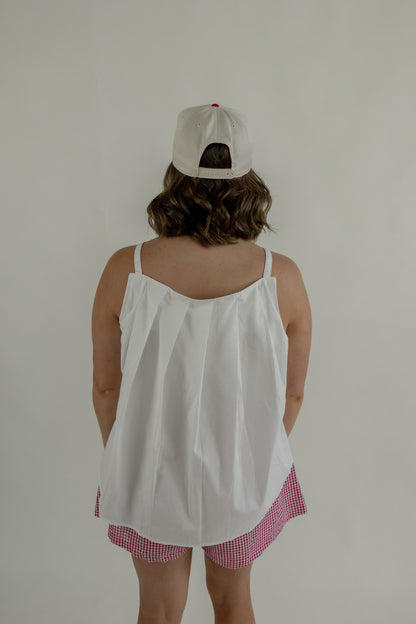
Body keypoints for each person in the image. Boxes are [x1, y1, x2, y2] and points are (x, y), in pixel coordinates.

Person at [91, 103, 312, 624]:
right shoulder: (282, 277)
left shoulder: (126, 268)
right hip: (241, 479)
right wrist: (250, 459)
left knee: (157, 610)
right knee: (234, 603)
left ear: (175, 174)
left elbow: (106, 390)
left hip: (149, 474)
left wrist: (129, 454)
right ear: (249, 179)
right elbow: (292, 394)